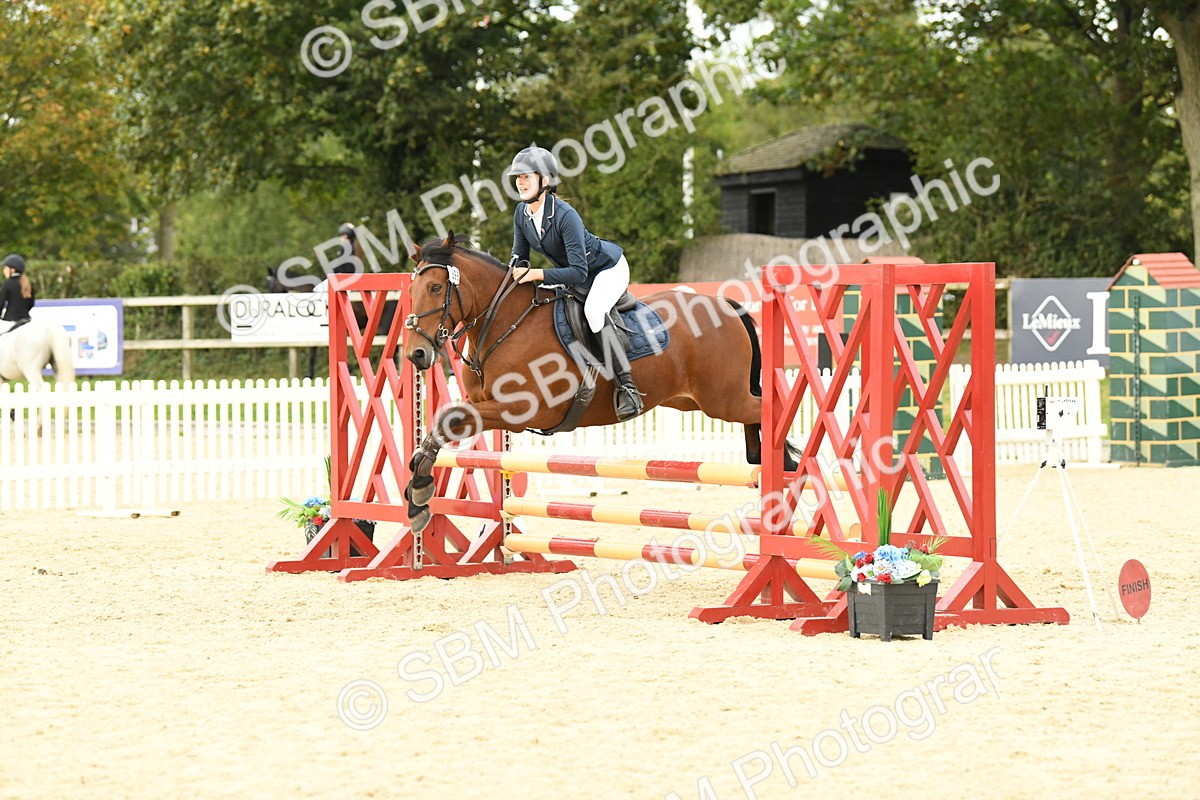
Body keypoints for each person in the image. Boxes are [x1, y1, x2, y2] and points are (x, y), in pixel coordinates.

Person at [506, 145, 644, 421]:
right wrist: (511, 273)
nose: (520, 182)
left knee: (593, 311)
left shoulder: (565, 215)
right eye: (518, 177)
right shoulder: (522, 214)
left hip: (607, 269)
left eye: (526, 176)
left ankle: (628, 388)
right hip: (574, 273)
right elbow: (519, 256)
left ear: (545, 180)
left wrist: (536, 274)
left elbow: (579, 272)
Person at [0, 254, 34, 335]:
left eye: (5, 268)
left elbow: (1, 303)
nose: (4, 270)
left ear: (13, 270)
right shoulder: (28, 283)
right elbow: (31, 304)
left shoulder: (7, 284)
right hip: (26, 320)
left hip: (10, 321)